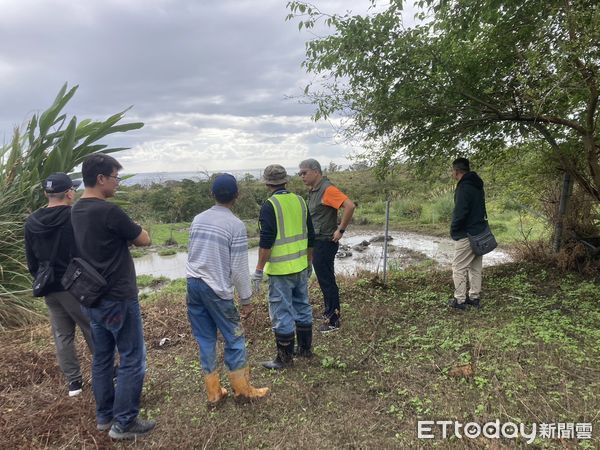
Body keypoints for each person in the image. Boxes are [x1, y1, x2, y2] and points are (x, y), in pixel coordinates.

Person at [71, 153, 155, 440]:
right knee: (132, 357)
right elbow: (143, 239)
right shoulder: (110, 212)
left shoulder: (76, 210)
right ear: (101, 178)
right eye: (115, 177)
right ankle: (125, 423)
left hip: (92, 297)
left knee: (103, 357)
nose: (117, 183)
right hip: (118, 296)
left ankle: (104, 417)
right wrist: (140, 228)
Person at [186, 173, 269, 404]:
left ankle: (213, 393)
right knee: (234, 337)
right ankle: (242, 390)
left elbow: (192, 252)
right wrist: (246, 300)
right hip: (216, 289)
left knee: (205, 338)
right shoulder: (235, 225)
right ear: (237, 195)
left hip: (193, 284)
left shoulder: (198, 219)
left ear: (212, 194)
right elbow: (239, 269)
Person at [25, 172, 93, 397]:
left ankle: (74, 384)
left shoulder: (32, 221)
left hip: (48, 286)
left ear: (46, 193)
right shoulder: (73, 216)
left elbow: (31, 260)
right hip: (74, 285)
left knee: (62, 335)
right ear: (69, 193)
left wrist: (42, 277)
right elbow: (85, 249)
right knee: (91, 329)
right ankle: (109, 371)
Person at [253, 165, 315, 370]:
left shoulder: (269, 205)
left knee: (281, 312)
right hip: (300, 266)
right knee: (302, 305)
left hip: (280, 271)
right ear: (285, 181)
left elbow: (266, 241)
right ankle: (305, 349)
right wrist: (309, 263)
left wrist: (259, 270)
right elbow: (310, 235)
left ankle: (284, 359)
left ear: (267, 183)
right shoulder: (300, 201)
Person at [298, 158, 355, 333]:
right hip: (318, 241)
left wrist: (341, 230)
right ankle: (329, 312)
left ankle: (333, 320)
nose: (301, 176)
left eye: (304, 173)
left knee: (327, 281)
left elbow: (350, 206)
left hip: (325, 242)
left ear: (316, 171)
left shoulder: (327, 189)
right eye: (300, 173)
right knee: (324, 280)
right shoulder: (314, 190)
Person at [449, 157, 488, 310]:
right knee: (475, 267)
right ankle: (474, 298)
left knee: (458, 268)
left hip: (466, 234)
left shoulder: (463, 187)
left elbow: (460, 212)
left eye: (452, 171)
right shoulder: (477, 185)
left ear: (457, 171)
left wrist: (454, 230)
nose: (452, 173)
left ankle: (459, 301)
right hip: (480, 232)